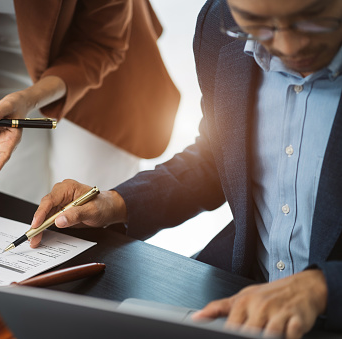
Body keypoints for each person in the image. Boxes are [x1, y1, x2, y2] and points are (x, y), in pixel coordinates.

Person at [28, 0, 342, 338]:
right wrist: (116, 203)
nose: (287, 47)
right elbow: (217, 157)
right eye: (256, 23)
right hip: (238, 289)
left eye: (310, 19)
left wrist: (324, 288)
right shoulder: (218, 25)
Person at [0, 0, 180, 203]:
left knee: (88, 211)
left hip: (96, 70)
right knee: (2, 209)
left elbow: (101, 44)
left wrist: (29, 98)